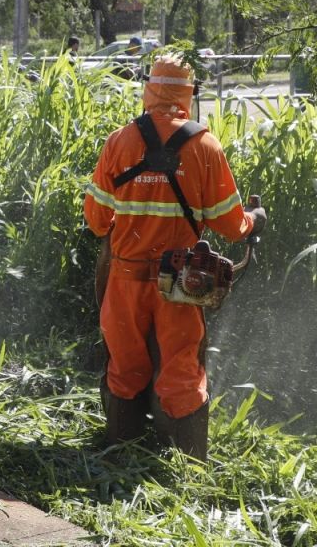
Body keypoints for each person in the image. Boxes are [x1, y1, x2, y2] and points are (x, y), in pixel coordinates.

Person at [83, 52, 266, 460]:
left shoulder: (120, 141)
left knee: (125, 370)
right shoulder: (204, 145)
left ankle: (121, 455)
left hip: (125, 282)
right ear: (189, 92)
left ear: (149, 88)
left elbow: (97, 221)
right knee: (181, 376)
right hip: (181, 285)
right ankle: (186, 468)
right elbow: (230, 225)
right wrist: (255, 220)